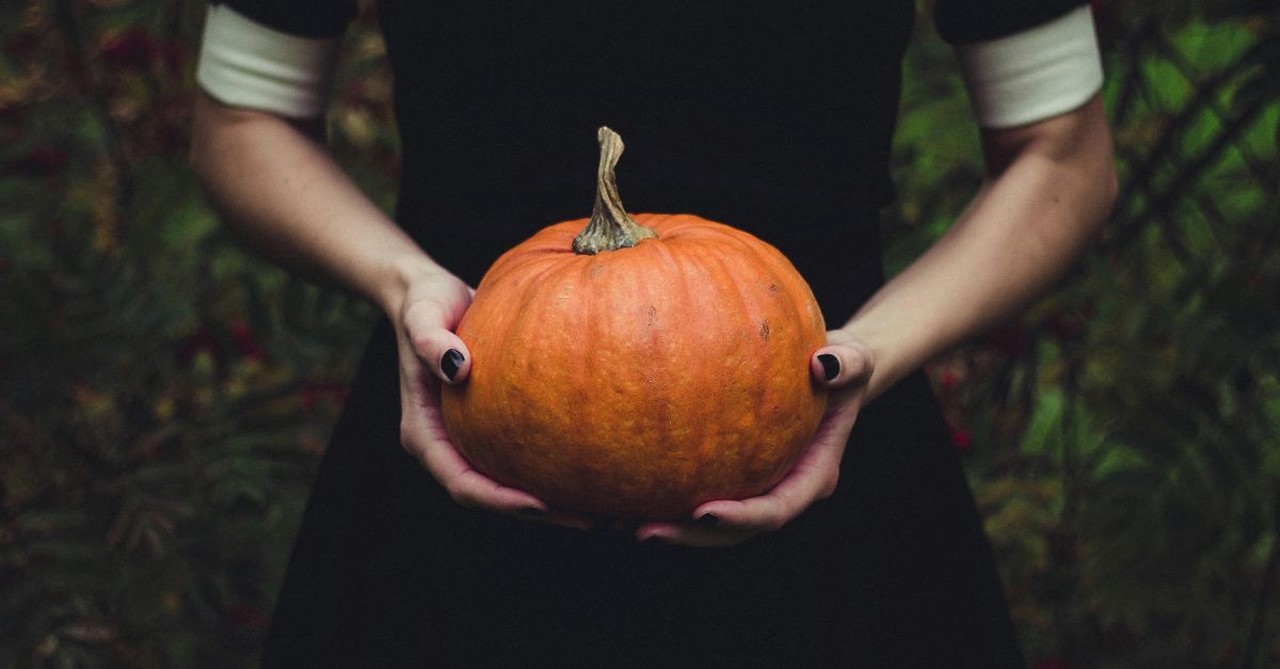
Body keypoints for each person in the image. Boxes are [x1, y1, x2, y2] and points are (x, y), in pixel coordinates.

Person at [190, 1, 1116, 666]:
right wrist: (404, 286)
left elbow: (1063, 153)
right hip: (466, 413)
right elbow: (242, 118)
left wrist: (872, 351)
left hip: (823, 436)